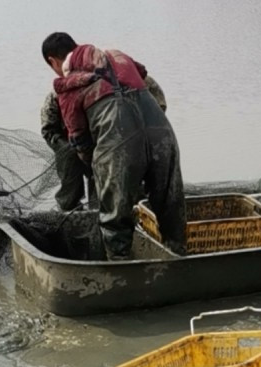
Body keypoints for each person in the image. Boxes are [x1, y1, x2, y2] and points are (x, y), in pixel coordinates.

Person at [42, 32, 186, 259]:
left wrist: (96, 164)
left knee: (114, 221)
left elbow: (79, 139)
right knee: (171, 208)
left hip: (118, 142)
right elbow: (155, 94)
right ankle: (179, 261)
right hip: (162, 134)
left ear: (53, 61)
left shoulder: (67, 86)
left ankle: (120, 271)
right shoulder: (118, 57)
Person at [40, 73, 168, 213]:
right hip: (72, 141)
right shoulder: (64, 90)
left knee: (117, 177)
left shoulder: (133, 80)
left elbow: (159, 109)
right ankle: (70, 209)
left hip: (117, 138)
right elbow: (48, 128)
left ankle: (125, 206)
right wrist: (72, 147)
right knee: (71, 168)